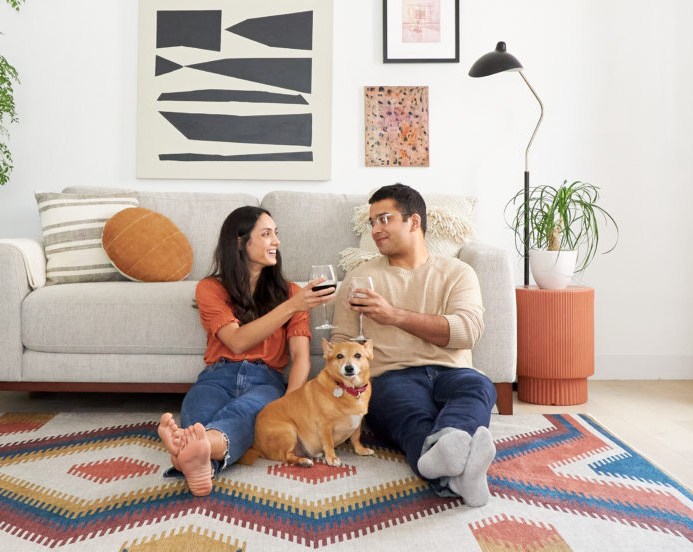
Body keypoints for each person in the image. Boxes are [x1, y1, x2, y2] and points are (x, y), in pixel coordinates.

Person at [331, 183, 496, 507]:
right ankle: (459, 471)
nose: (376, 229)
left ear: (414, 222)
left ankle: (445, 459)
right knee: (407, 414)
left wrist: (393, 315)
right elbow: (341, 343)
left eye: (384, 219)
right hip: (392, 376)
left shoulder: (457, 273)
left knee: (479, 387)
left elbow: (467, 333)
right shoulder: (360, 279)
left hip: (452, 371)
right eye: (372, 222)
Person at [158, 205, 335, 496]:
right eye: (266, 234)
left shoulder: (291, 292)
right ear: (241, 242)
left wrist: (288, 406)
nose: (276, 241)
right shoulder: (210, 288)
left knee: (243, 415)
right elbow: (237, 341)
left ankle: (187, 452)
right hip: (217, 376)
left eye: (276, 234)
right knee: (200, 415)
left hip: (266, 381)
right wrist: (292, 307)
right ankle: (197, 453)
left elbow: (301, 356)